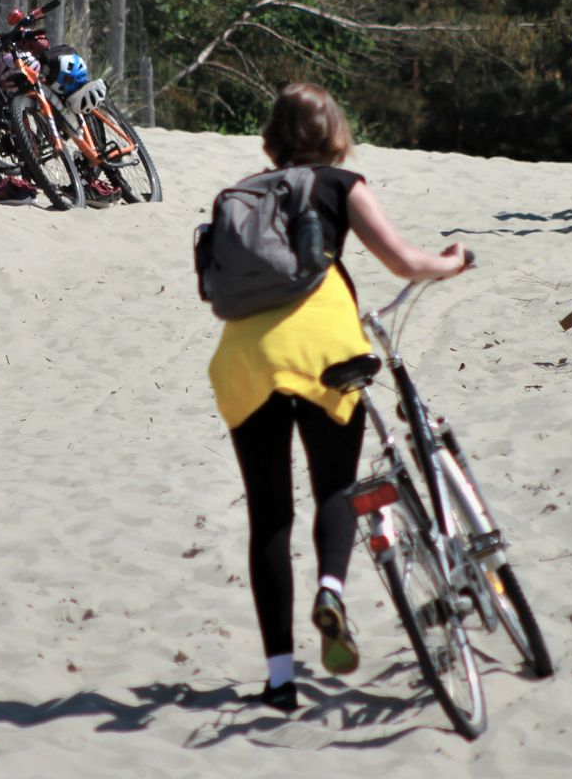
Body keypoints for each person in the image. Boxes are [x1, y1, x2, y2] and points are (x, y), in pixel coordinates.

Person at [206, 82, 469, 714]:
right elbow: (404, 262)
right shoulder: (339, 185)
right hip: (324, 349)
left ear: (271, 138)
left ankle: (278, 681)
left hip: (242, 359)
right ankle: (332, 590)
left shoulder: (240, 195)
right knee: (334, 490)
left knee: (269, 517)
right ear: (336, 136)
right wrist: (453, 262)